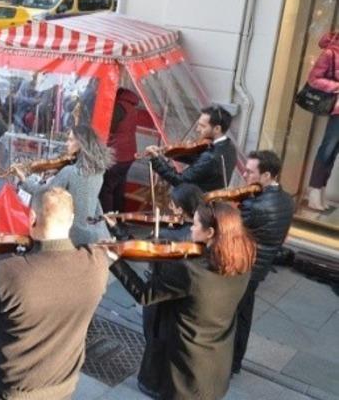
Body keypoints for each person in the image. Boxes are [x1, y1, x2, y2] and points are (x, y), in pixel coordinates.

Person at [0, 186, 108, 398]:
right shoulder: (97, 264)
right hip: (64, 384)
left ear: (32, 217)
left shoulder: (11, 272)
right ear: (71, 219)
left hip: (17, 389)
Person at [108, 202, 255, 400]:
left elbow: (145, 294)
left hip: (185, 368)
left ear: (210, 232)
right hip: (216, 363)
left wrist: (114, 261)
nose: (191, 228)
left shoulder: (190, 271)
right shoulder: (241, 261)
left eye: (194, 224)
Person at [232, 150, 295, 374]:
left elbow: (232, 233)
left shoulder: (254, 205)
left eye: (250, 172)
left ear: (267, 175)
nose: (244, 175)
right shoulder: (288, 201)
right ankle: (235, 362)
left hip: (243, 266)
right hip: (260, 268)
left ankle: (229, 364)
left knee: (232, 316)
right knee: (244, 315)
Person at [16, 125, 112, 245]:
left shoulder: (70, 172)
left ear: (80, 144)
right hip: (92, 230)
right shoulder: (98, 172)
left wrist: (25, 181)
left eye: (71, 140)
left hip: (72, 232)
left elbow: (44, 193)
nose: (67, 143)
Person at [145, 105, 237, 193]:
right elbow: (200, 164)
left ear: (217, 129)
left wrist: (156, 160)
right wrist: (169, 151)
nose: (197, 129)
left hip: (198, 202)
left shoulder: (210, 157)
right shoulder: (229, 146)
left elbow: (179, 180)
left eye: (202, 126)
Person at [305, 32, 339, 211]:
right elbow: (313, 78)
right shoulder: (330, 53)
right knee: (327, 150)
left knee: (332, 153)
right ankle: (314, 192)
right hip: (337, 109)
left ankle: (320, 191)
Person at [100, 87, 140, 213]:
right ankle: (119, 218)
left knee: (106, 188)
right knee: (119, 187)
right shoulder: (132, 107)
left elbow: (109, 128)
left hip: (117, 154)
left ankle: (108, 221)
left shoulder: (119, 107)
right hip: (129, 154)